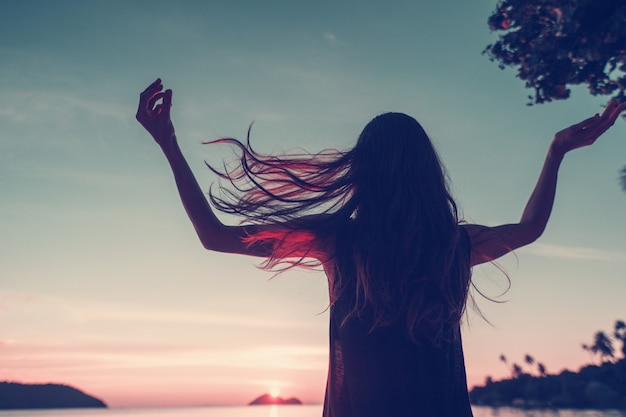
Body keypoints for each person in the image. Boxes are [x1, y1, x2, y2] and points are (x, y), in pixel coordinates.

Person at [136, 78, 625, 417]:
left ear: (364, 172)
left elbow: (215, 237)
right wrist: (555, 152)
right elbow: (529, 228)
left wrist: (170, 147)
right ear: (427, 171)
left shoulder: (338, 240)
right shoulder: (452, 245)